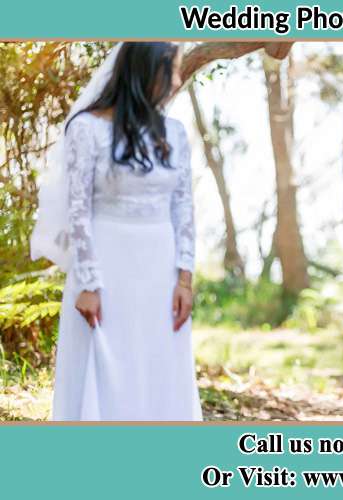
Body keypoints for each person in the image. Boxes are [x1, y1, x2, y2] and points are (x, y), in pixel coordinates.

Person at [44, 42, 202, 420]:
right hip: (104, 265)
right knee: (105, 367)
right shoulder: (86, 128)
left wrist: (184, 279)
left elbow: (183, 208)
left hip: (160, 269)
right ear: (145, 74)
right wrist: (87, 283)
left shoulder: (174, 133)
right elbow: (78, 210)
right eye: (173, 71)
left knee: (158, 365)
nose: (178, 81)